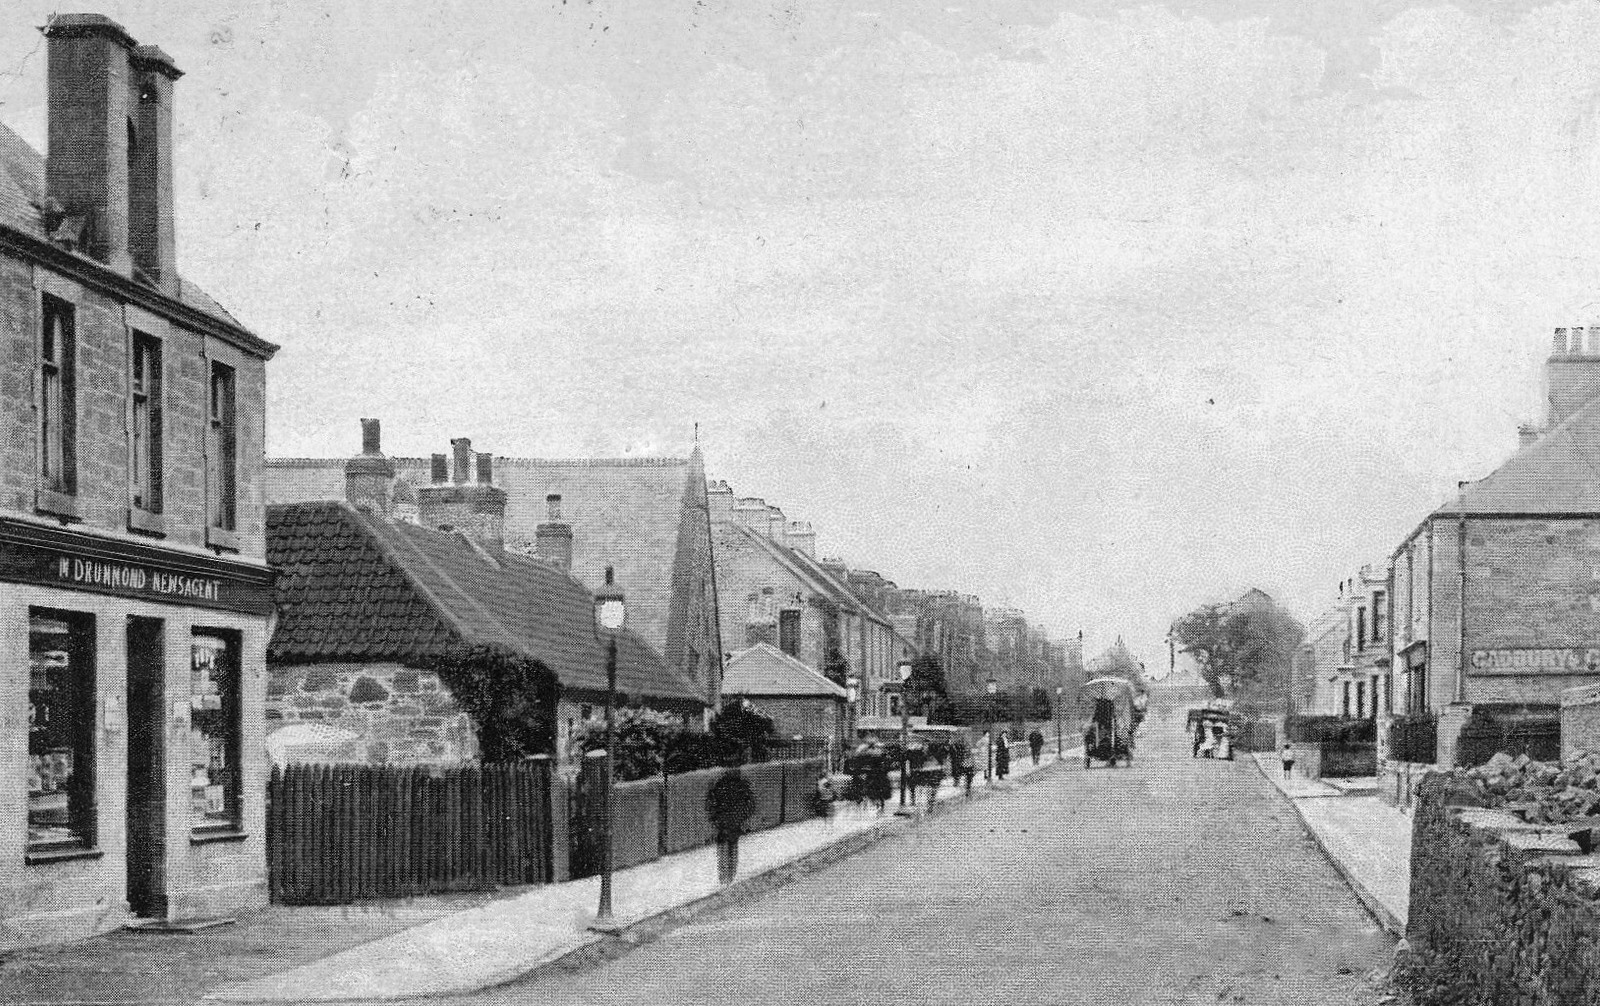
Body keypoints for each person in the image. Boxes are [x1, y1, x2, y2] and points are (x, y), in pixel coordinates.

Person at [705, 769, 756, 885]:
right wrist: (742, 819)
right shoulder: (742, 785)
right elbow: (750, 806)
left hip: (723, 824)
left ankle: (724, 878)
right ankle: (730, 877)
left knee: (723, 849)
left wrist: (715, 820)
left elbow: (711, 805)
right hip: (734, 823)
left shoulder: (720, 784)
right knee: (732, 848)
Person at [862, 742, 893, 813]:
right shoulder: (881, 756)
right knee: (878, 792)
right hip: (879, 776)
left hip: (875, 776)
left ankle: (877, 806)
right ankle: (879, 806)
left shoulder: (871, 755)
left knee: (874, 791)